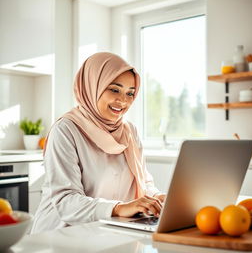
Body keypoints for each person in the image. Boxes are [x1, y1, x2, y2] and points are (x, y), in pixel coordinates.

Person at [31, 52, 165, 233]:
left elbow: (144, 182)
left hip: (107, 230)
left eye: (130, 93)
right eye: (114, 89)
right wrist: (118, 208)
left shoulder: (129, 131)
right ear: (92, 86)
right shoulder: (66, 130)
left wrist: (156, 198)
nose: (124, 101)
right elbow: (66, 200)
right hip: (59, 235)